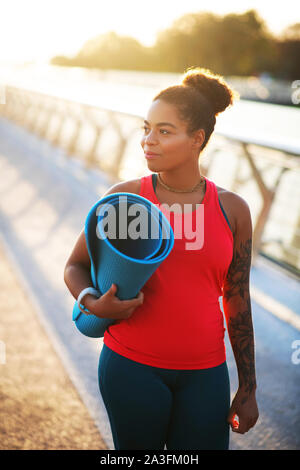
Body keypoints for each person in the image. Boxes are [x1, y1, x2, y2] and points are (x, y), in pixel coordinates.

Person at [64, 67, 259, 450]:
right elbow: (75, 265)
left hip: (206, 373)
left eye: (164, 131)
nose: (148, 141)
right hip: (131, 367)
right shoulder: (126, 199)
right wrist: (91, 301)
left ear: (196, 139)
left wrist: (249, 386)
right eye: (146, 128)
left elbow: (237, 298)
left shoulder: (232, 210)